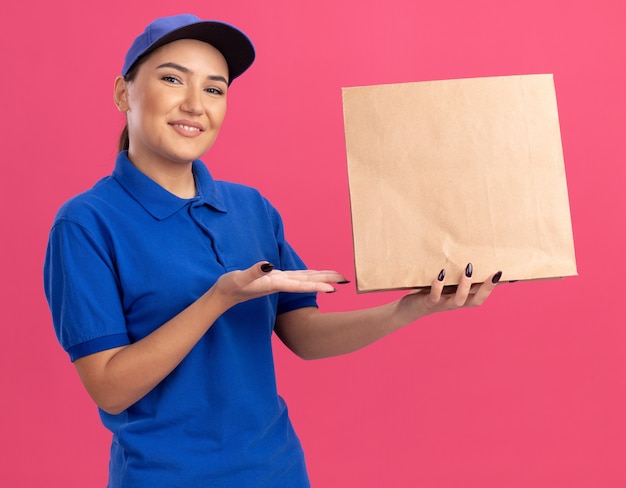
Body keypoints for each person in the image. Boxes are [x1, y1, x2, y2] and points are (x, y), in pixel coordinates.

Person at [43, 13, 502, 488]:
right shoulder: (86, 223)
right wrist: (219, 298)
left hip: (276, 470)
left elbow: (302, 333)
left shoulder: (250, 208)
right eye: (173, 79)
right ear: (123, 92)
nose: (194, 104)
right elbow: (110, 388)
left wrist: (408, 310)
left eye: (215, 89)